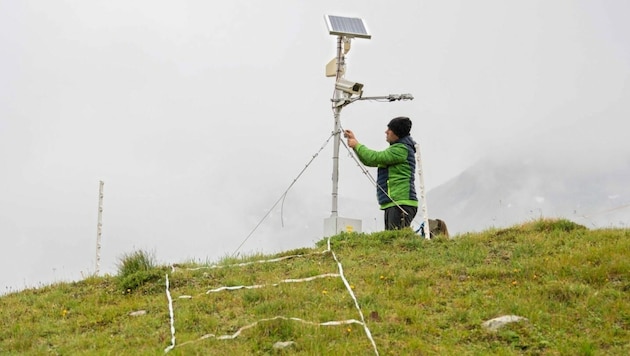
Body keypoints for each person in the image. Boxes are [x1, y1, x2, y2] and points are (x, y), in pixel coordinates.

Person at [344, 116, 418, 230]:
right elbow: (369, 160)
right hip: (395, 203)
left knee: (395, 241)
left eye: (390, 129)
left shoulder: (401, 150)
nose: (386, 132)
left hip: (400, 203)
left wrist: (357, 145)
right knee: (392, 240)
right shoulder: (399, 149)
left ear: (396, 132)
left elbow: (375, 158)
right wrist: (355, 145)